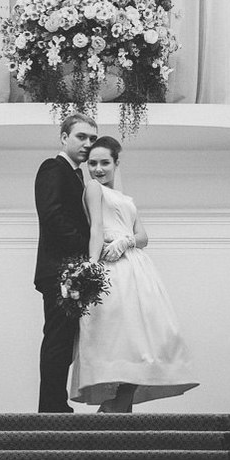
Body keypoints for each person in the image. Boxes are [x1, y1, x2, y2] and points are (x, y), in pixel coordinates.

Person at [71, 136, 198, 412]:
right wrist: (92, 264)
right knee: (122, 337)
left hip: (136, 265)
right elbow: (96, 228)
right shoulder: (93, 188)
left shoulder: (126, 199)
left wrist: (126, 241)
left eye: (105, 163)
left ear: (116, 163)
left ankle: (118, 407)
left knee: (145, 337)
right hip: (111, 266)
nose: (98, 169)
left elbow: (143, 236)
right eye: (92, 163)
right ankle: (116, 407)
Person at [34, 112, 98, 413]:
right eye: (81, 137)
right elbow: (52, 215)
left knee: (65, 341)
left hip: (71, 271)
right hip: (60, 269)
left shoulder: (78, 175)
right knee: (58, 340)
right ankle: (51, 409)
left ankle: (55, 404)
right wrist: (87, 249)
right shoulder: (53, 168)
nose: (88, 144)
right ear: (64, 137)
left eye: (92, 139)